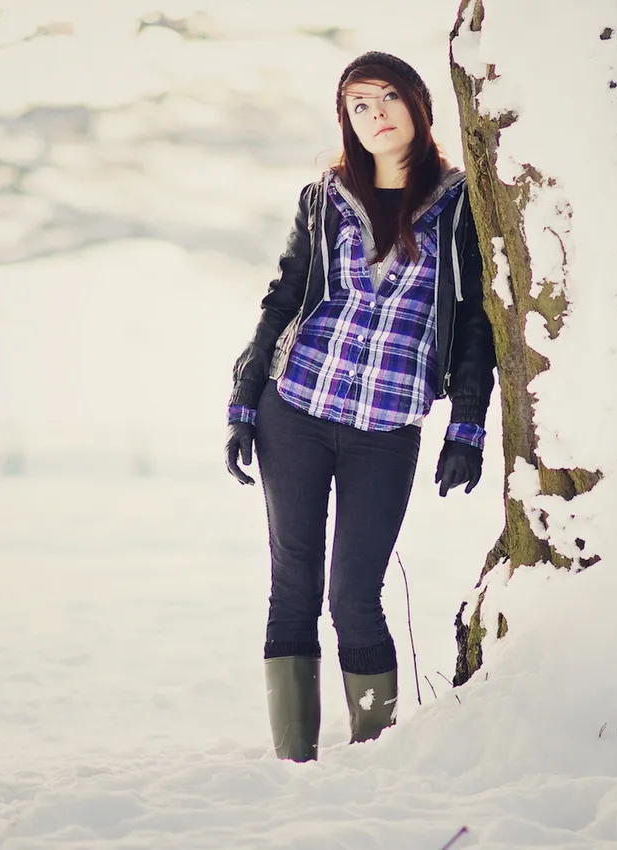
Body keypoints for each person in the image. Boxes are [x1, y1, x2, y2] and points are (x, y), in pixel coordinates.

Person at [224, 51, 497, 762]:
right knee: (293, 587)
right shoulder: (325, 199)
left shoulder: (461, 205)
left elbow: (476, 321)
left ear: (417, 105)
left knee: (354, 595)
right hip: (296, 406)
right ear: (346, 119)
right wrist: (245, 402)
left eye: (387, 98)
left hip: (387, 425)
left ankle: (374, 754)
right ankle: (295, 760)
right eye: (359, 105)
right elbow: (284, 298)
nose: (376, 115)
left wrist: (467, 427)